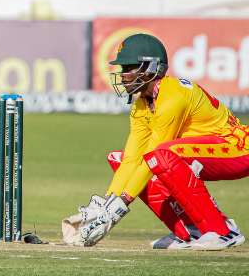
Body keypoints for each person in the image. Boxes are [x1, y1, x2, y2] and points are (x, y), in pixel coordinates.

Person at [64, 33, 248, 250]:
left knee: (162, 155)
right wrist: (105, 204)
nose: (122, 76)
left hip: (237, 148)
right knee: (120, 158)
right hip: (206, 151)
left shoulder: (172, 96)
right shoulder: (141, 104)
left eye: (128, 68)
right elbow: (132, 159)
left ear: (150, 68)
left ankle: (223, 232)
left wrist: (120, 205)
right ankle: (189, 232)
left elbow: (155, 152)